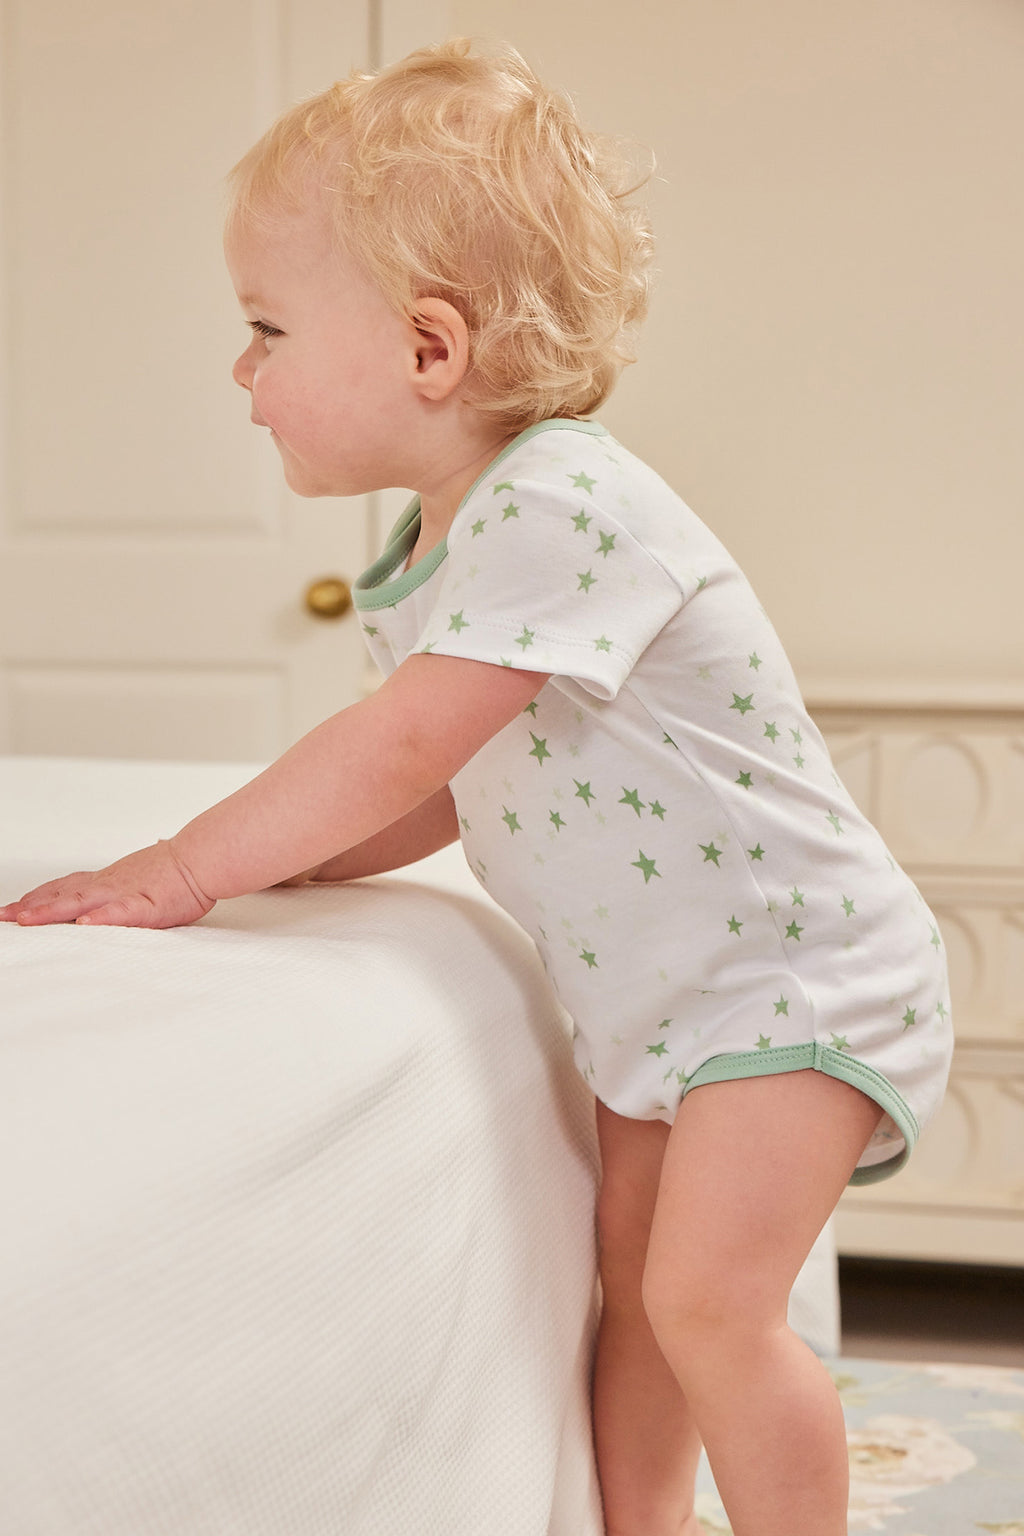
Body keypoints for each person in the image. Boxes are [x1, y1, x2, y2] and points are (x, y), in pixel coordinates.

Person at [0, 39, 952, 1536]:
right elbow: (453, 783)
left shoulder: (562, 498)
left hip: (793, 978)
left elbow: (395, 745)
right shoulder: (447, 541)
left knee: (708, 1307)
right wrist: (305, 863)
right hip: (671, 999)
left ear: (430, 352)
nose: (241, 370)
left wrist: (189, 867)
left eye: (265, 329)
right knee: (633, 1298)